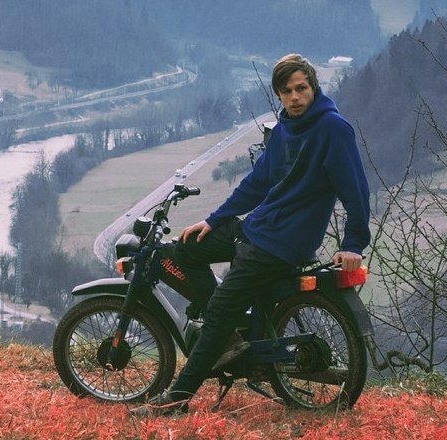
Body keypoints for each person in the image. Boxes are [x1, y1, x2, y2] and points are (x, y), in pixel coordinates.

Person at [131, 53, 371, 416]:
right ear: (279, 95)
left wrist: (353, 243)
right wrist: (214, 220)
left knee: (219, 310)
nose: (294, 97)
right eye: (286, 91)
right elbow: (258, 182)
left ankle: (177, 399)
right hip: (259, 228)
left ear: (313, 87)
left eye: (301, 88)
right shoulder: (286, 127)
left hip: (283, 243)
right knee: (187, 248)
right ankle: (228, 339)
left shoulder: (333, 129)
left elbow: (356, 191)